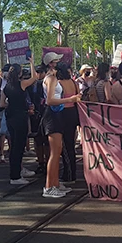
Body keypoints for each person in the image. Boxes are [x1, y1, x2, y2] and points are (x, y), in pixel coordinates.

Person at [41, 54, 78, 198]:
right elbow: (50, 100)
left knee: (58, 151)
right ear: (51, 64)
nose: (59, 62)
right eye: (56, 60)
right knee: (55, 153)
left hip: (57, 114)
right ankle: (49, 187)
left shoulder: (54, 78)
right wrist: (70, 99)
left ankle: (55, 183)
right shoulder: (50, 78)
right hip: (52, 115)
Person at [4, 62, 38, 185]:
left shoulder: (6, 87)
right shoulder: (21, 84)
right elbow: (35, 77)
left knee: (13, 146)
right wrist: (31, 63)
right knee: (19, 146)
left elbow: (2, 104)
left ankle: (16, 171)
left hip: (10, 116)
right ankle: (15, 176)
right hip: (20, 116)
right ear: (19, 73)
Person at [57, 65, 81, 185]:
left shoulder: (59, 84)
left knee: (65, 146)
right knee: (70, 144)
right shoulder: (73, 82)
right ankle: (71, 172)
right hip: (73, 114)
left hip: (63, 114)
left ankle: (69, 174)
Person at [27, 63, 49, 174]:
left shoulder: (47, 84)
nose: (39, 74)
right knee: (37, 140)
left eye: (41, 72)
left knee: (46, 141)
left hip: (46, 114)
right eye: (37, 72)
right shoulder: (31, 85)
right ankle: (41, 162)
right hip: (35, 115)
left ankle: (47, 162)